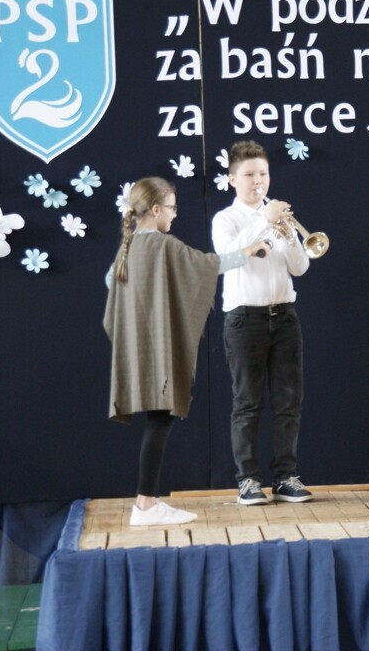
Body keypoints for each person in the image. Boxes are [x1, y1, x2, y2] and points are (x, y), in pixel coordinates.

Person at [105, 177, 267, 526]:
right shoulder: (164, 245)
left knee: (158, 421)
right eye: (173, 207)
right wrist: (248, 251)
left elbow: (110, 283)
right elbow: (208, 265)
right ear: (156, 209)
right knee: (160, 421)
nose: (175, 214)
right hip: (160, 350)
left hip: (139, 349)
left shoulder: (128, 247)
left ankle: (146, 502)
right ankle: (145, 505)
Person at [212, 140, 314, 506]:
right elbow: (226, 257)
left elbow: (300, 268)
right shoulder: (226, 219)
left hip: (285, 316)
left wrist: (289, 237)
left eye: (263, 174)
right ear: (232, 179)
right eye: (249, 175)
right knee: (247, 403)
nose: (258, 181)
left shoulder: (277, 217)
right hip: (245, 319)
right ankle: (248, 481)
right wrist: (263, 221)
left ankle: (286, 477)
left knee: (289, 402)